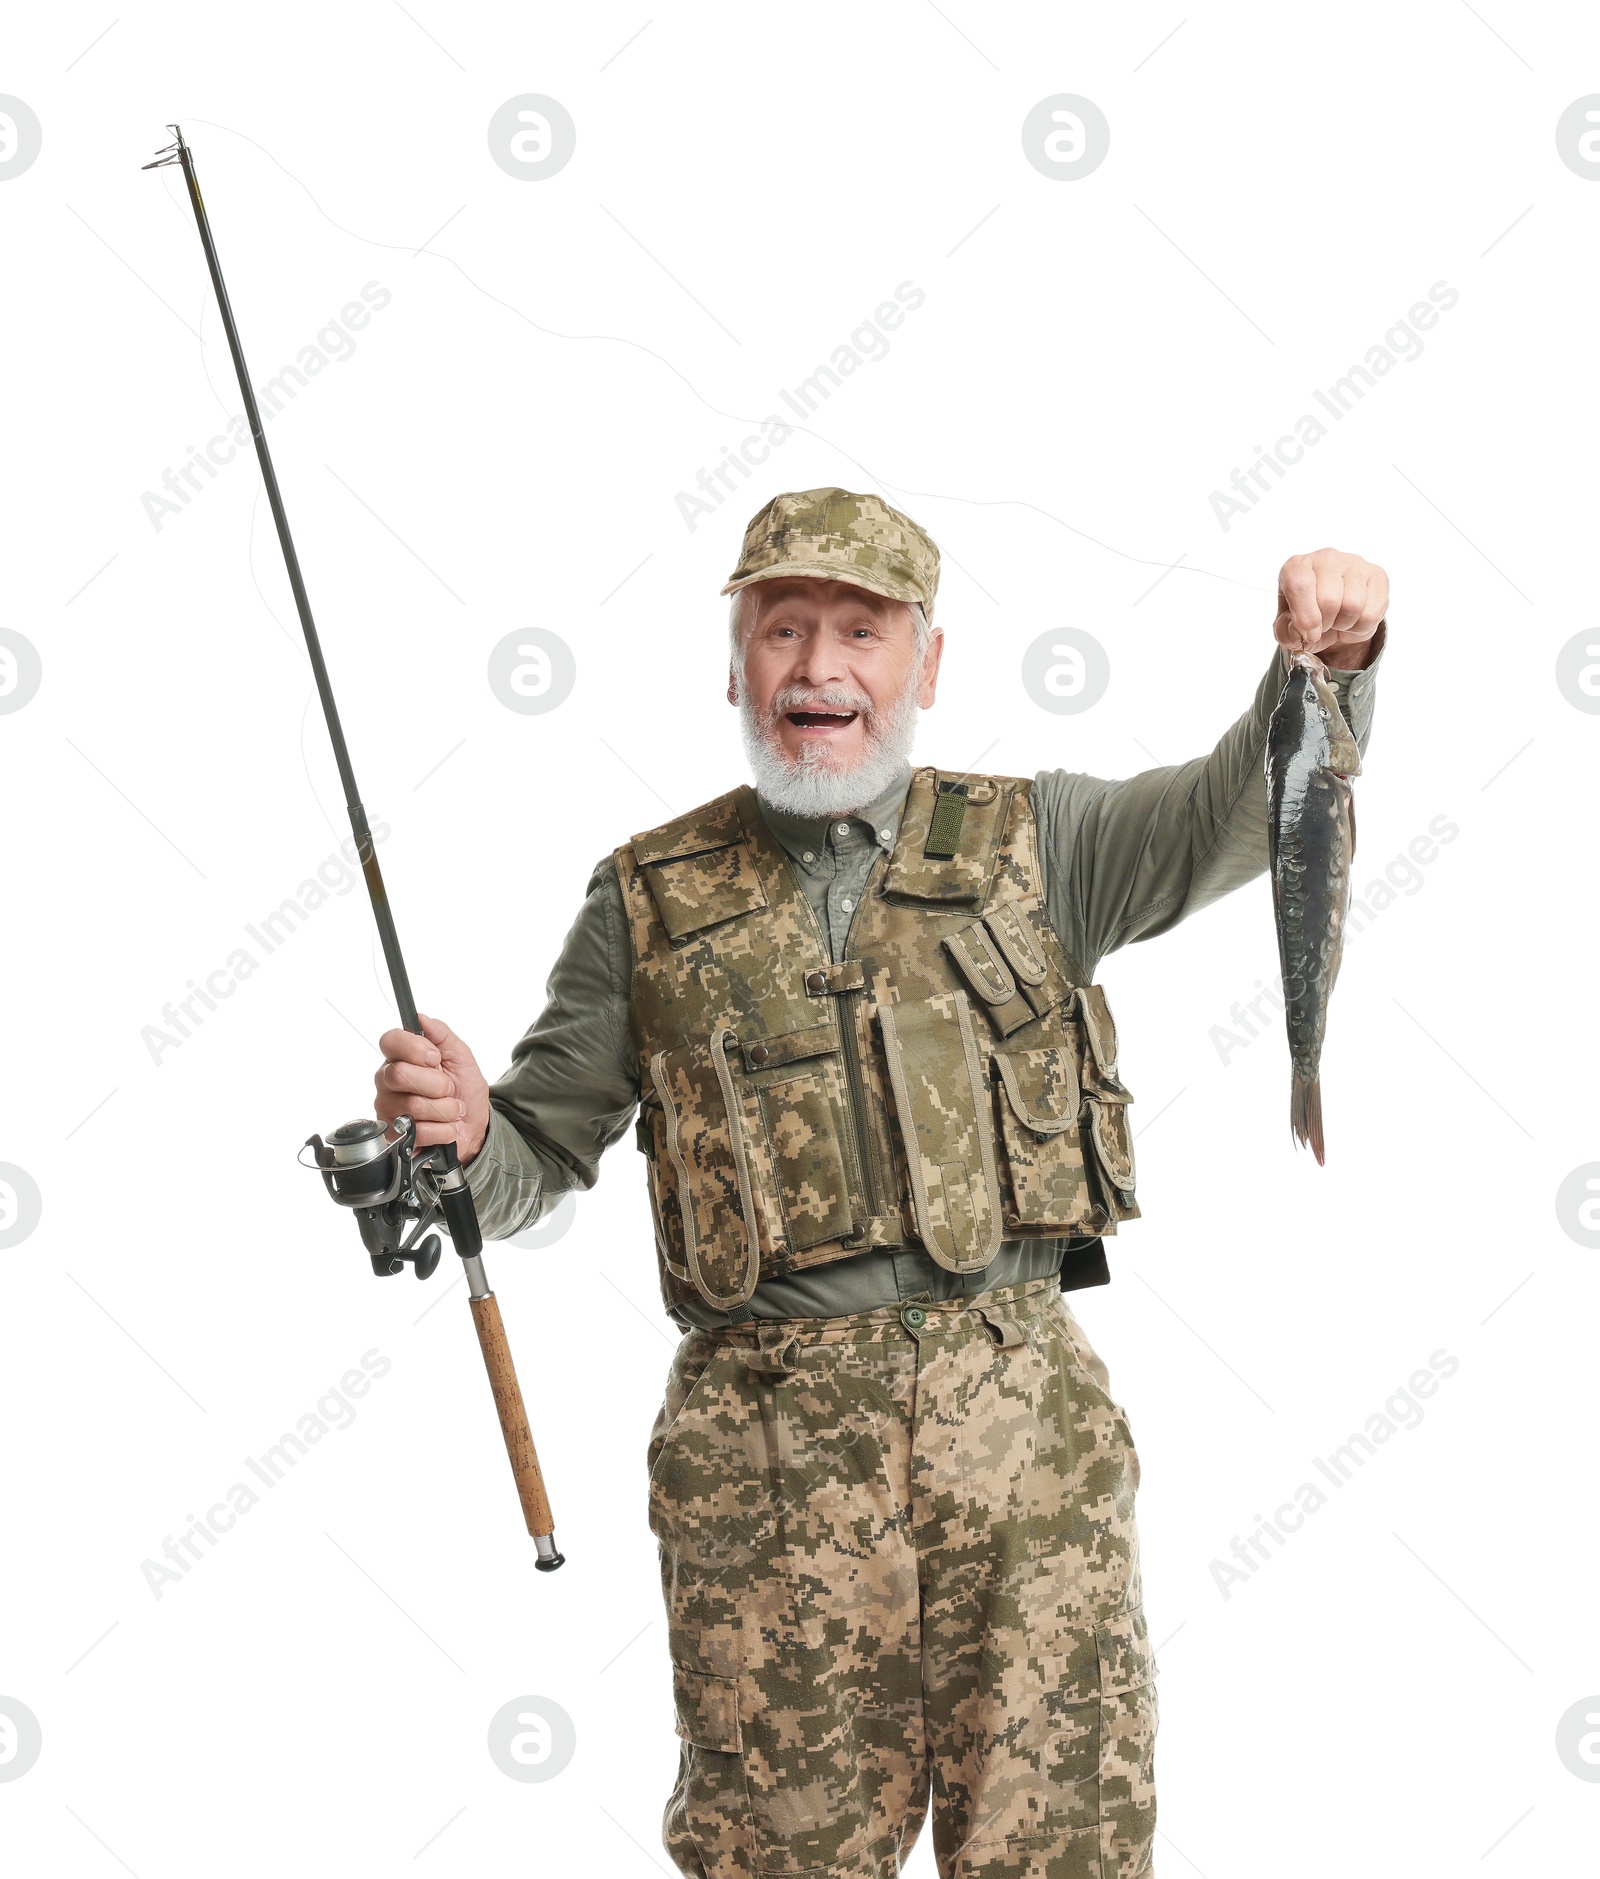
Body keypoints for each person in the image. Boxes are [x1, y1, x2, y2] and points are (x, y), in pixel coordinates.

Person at [373, 488, 1386, 1878]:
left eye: (862, 631)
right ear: (735, 666)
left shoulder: (1048, 845)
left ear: (928, 663)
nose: (819, 670)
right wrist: (466, 1131)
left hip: (1027, 1456)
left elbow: (1242, 816)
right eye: (782, 631)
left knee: (1064, 1854)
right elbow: (535, 1158)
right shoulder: (643, 900)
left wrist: (1321, 672)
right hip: (765, 1478)